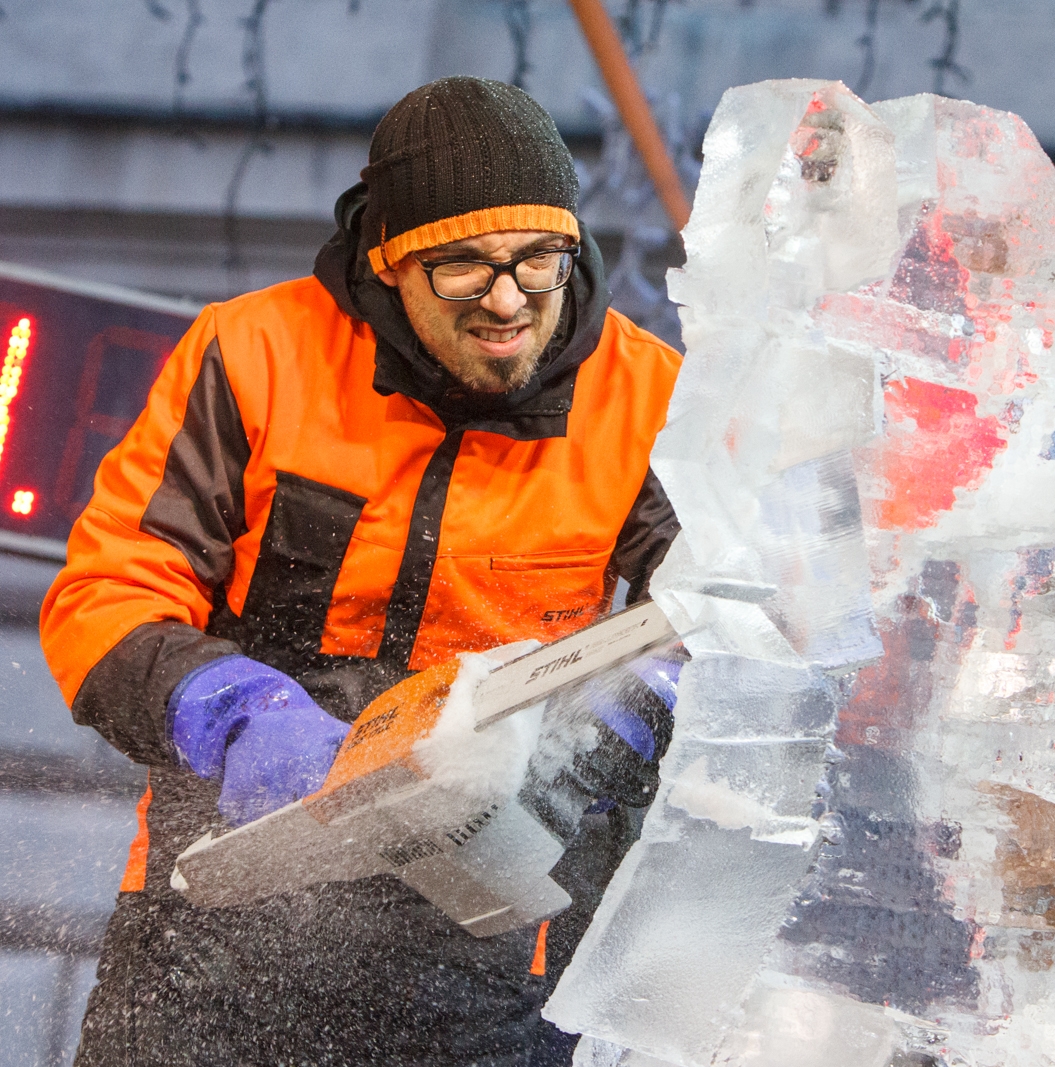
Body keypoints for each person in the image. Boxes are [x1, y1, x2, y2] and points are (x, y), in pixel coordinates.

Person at [39, 76, 683, 1065]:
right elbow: (105, 591)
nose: (508, 299)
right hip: (215, 922)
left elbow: (750, 616)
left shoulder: (649, 401)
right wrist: (230, 707)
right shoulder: (252, 355)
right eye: (462, 267)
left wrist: (645, 702)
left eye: (536, 260)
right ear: (386, 262)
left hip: (489, 948)